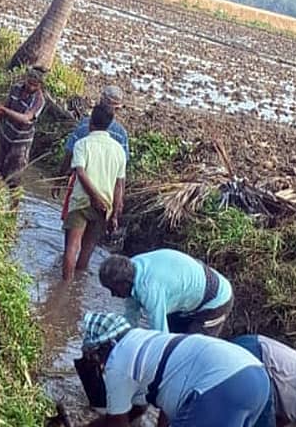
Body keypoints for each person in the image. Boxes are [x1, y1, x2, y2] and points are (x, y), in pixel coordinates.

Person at [71, 312, 269, 427]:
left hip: (222, 383)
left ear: (106, 345)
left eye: (94, 355)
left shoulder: (118, 361)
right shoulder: (142, 340)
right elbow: (136, 409)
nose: (98, 362)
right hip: (256, 378)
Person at [98, 248, 234, 335]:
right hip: (188, 290)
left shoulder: (149, 289)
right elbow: (130, 318)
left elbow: (160, 337)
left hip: (216, 301)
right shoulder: (131, 268)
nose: (113, 295)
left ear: (124, 284)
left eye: (113, 290)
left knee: (189, 352)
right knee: (175, 338)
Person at [62, 103, 126, 280]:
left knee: (72, 247)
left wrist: (93, 196)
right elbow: (119, 184)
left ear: (91, 122)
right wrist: (114, 215)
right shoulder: (118, 150)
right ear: (110, 124)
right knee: (87, 249)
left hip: (82, 201)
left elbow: (80, 172)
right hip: (104, 206)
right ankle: (77, 289)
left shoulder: (83, 144)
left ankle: (65, 288)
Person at [53, 86, 129, 199]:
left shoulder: (86, 124)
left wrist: (59, 181)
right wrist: (118, 204)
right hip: (106, 190)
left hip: (80, 189)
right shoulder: (121, 134)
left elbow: (69, 153)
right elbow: (121, 171)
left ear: (101, 102)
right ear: (117, 109)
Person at [0, 67, 46, 189]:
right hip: (6, 136)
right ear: (25, 79)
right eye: (29, 83)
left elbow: (26, 118)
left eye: (34, 85)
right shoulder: (15, 89)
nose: (30, 87)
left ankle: (13, 207)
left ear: (40, 86)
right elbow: (6, 109)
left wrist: (3, 109)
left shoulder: (39, 100)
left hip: (20, 144)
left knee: (13, 182)